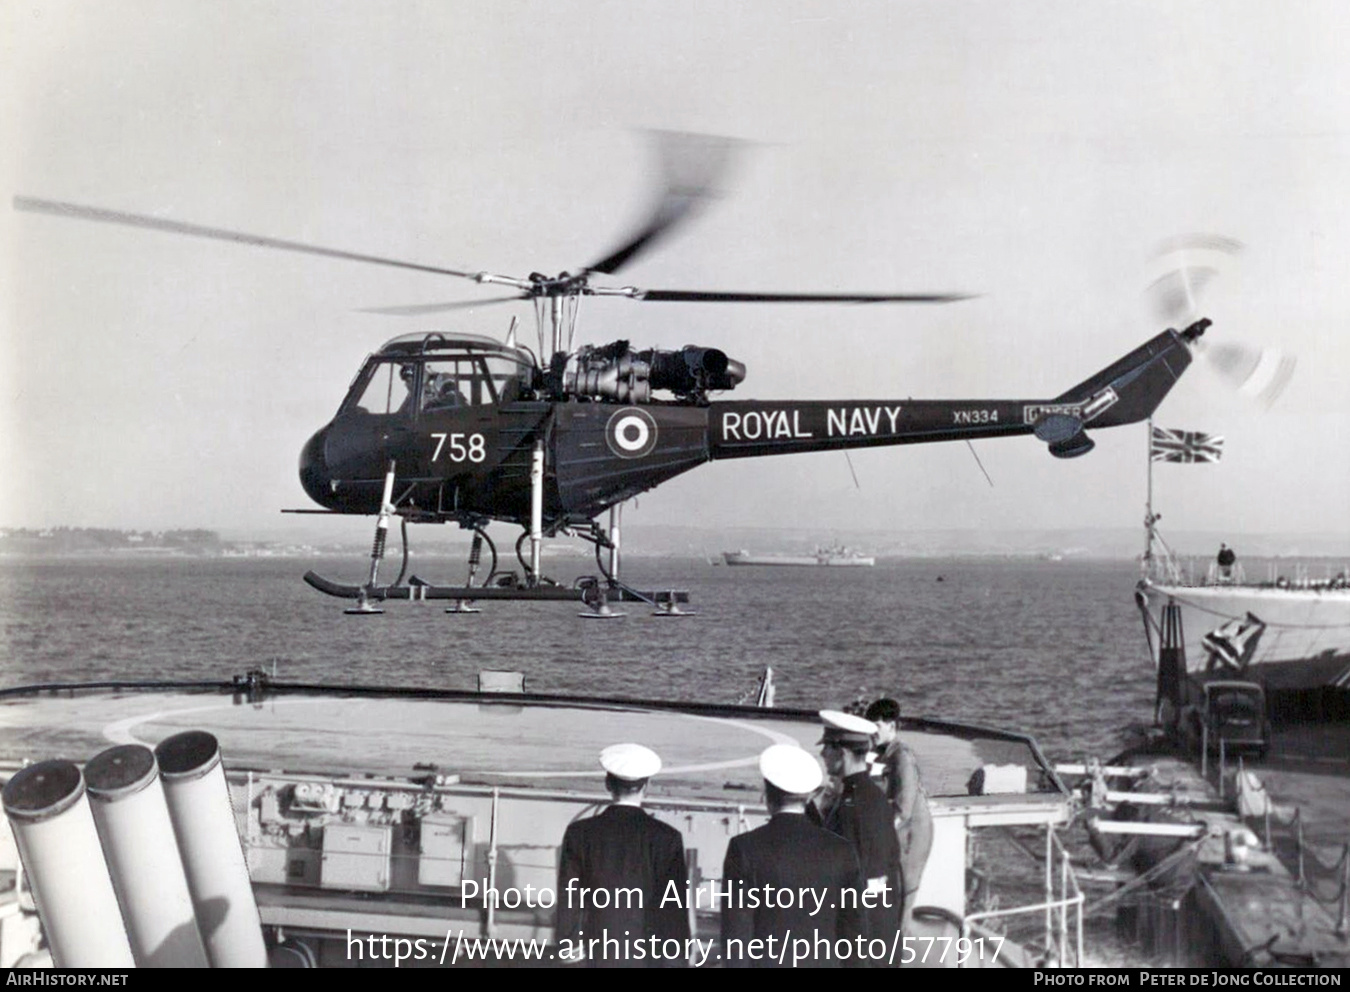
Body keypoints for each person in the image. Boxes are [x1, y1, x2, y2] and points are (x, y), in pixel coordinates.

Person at [721, 744, 867, 968]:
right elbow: (854, 935)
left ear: (767, 792)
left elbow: (736, 940)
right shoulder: (842, 851)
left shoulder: (744, 848)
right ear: (809, 797)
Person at [555, 743, 690, 967]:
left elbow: (570, 898)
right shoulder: (667, 838)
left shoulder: (579, 833)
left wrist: (568, 948)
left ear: (608, 783)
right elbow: (673, 908)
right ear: (648, 785)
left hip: (596, 955)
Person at [818, 710, 903, 952]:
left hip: (860, 942)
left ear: (842, 752)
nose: (823, 754)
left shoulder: (852, 806)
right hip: (878, 932)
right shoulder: (872, 796)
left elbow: (860, 880)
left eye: (827, 747)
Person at [864, 697, 934, 926]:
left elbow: (904, 807)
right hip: (897, 837)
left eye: (876, 727)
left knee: (903, 896)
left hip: (910, 839)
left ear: (892, 726)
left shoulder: (901, 756)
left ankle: (898, 952)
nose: (872, 733)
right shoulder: (882, 754)